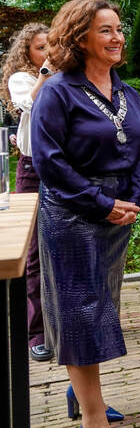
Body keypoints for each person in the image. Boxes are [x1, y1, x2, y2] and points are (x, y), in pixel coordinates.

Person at [30, 0, 140, 428]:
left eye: (119, 29)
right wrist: (101, 203)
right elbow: (49, 162)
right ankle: (93, 417)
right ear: (79, 37)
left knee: (100, 311)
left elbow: (139, 152)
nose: (117, 37)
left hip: (117, 217)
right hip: (71, 216)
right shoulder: (58, 91)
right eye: (105, 30)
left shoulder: (127, 92)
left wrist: (135, 197)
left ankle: (80, 393)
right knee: (79, 314)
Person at [0, 22, 55, 362]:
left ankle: (70, 322)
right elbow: (29, 106)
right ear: (27, 52)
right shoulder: (22, 78)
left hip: (64, 168)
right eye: (40, 48)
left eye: (52, 46)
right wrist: (48, 73)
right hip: (34, 169)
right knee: (33, 251)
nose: (47, 53)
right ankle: (36, 331)